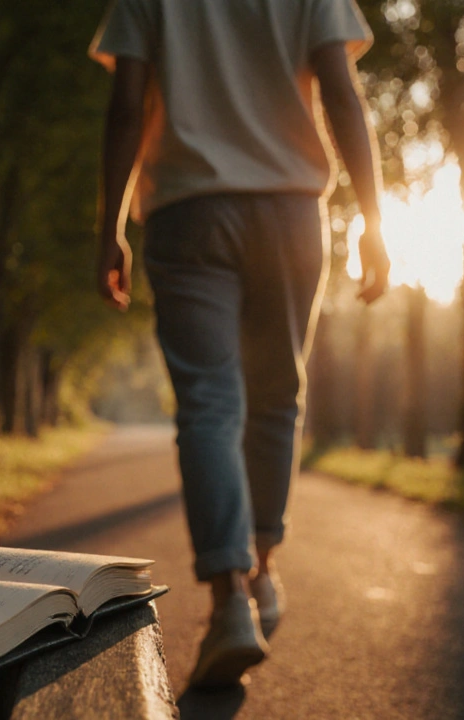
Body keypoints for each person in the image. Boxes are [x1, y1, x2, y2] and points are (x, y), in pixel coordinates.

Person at [90, 0, 389, 689]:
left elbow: (126, 105)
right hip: (289, 210)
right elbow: (340, 91)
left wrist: (108, 226)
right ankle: (263, 568)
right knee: (276, 394)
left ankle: (230, 600)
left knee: (209, 403)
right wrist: (374, 219)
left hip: (187, 209)